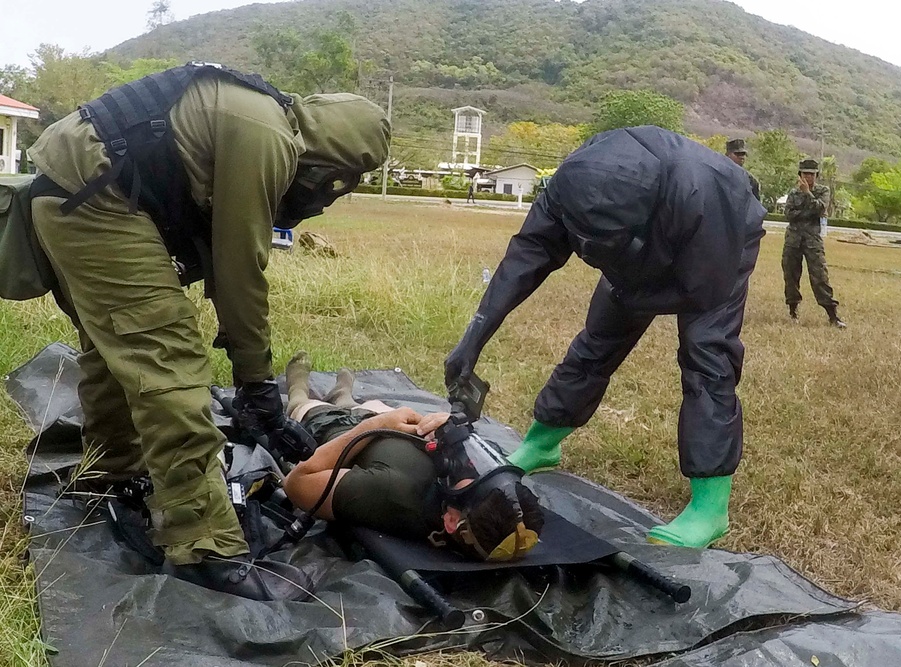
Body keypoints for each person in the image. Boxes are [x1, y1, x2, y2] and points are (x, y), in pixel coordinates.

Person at [25, 62, 390, 601]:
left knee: (118, 350)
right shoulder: (268, 137)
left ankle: (109, 472)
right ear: (331, 160)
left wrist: (254, 383)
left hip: (75, 189)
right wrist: (257, 383)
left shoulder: (264, 117)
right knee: (166, 359)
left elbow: (217, 252)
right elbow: (240, 269)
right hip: (95, 197)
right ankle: (203, 547)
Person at [445, 126, 766, 549]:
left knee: (707, 356)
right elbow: (526, 255)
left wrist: (635, 293)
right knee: (597, 341)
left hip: (720, 238)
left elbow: (703, 292)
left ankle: (711, 507)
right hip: (647, 245)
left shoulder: (704, 193)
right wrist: (474, 336)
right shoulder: (570, 187)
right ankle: (542, 443)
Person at [281, 353, 545, 561]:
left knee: (306, 409)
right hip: (394, 426)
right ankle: (344, 396)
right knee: (373, 405)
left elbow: (297, 482)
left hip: (344, 433)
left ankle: (300, 390)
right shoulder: (504, 507)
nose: (474, 469)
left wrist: (375, 425)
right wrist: (448, 425)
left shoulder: (391, 495)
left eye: (476, 482)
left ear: (451, 522)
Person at [782, 159, 846, 327]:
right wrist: (809, 210)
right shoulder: (793, 193)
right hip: (793, 240)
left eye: (811, 174)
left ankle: (832, 315)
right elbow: (788, 214)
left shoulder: (823, 191)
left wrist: (808, 195)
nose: (808, 177)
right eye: (805, 174)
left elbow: (821, 209)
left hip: (813, 242)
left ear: (816, 175)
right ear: (800, 175)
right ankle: (793, 310)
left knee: (820, 277)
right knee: (790, 276)